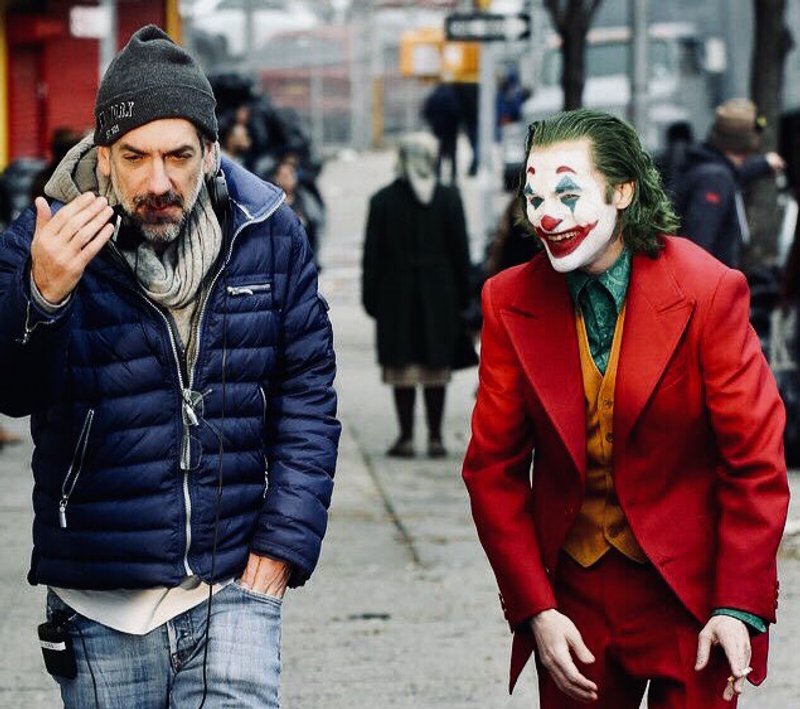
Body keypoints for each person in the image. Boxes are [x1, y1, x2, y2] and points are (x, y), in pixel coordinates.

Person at [0, 25, 339, 707]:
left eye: (179, 155)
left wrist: (281, 549)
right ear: (103, 156)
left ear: (210, 152)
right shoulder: (44, 239)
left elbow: (307, 397)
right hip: (98, 603)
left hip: (233, 591)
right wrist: (42, 297)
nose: (159, 181)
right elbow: (13, 392)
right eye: (136, 156)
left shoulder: (268, 231)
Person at [462, 109, 788, 708]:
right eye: (534, 198)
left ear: (623, 191)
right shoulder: (508, 300)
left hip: (690, 595)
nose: (547, 216)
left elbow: (754, 461)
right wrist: (536, 609)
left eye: (568, 194)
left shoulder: (709, 290)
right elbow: (491, 471)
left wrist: (736, 606)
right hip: (573, 599)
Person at [362, 132, 472, 458]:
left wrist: (371, 298)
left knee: (403, 369)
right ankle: (436, 437)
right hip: (440, 296)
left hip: (395, 298)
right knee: (436, 369)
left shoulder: (382, 201)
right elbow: (461, 252)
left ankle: (406, 436)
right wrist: (463, 295)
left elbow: (372, 256)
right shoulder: (448, 199)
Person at [673, 98, 785, 268]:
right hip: (709, 280)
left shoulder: (711, 168)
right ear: (747, 141)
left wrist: (764, 164)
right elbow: (698, 249)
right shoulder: (715, 180)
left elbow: (735, 172)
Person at [421, 83, 461, 184]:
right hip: (451, 130)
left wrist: (433, 122)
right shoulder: (452, 96)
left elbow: (425, 112)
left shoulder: (433, 96)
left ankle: (437, 175)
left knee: (438, 153)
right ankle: (453, 176)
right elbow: (456, 112)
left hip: (438, 130)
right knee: (452, 154)